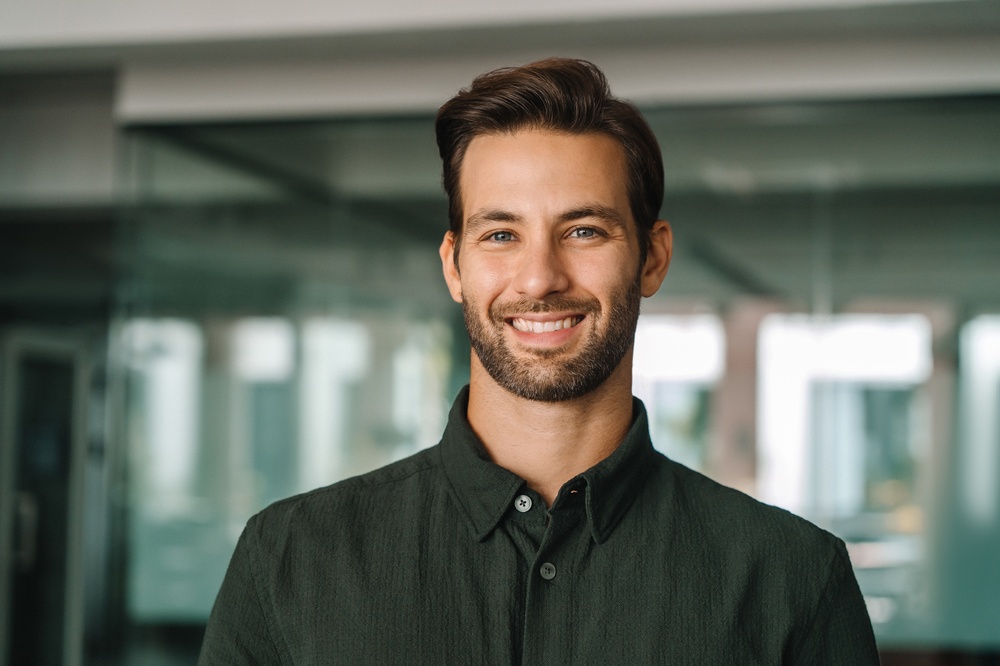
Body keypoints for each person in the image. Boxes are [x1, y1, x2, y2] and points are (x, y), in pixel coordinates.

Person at [198, 58, 879, 664]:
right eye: (500, 234)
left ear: (653, 257)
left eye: (583, 230)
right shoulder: (288, 562)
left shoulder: (793, 579)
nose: (539, 278)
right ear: (454, 266)